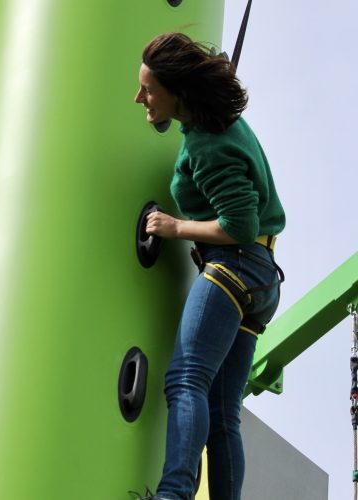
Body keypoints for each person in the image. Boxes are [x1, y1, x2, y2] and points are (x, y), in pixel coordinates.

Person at [132, 33, 286, 500]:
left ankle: (173, 493)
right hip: (262, 278)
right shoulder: (218, 124)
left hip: (233, 265)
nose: (139, 97)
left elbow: (239, 225)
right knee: (223, 414)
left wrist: (175, 227)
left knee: (185, 379)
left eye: (148, 90)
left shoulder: (207, 147)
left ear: (178, 92)